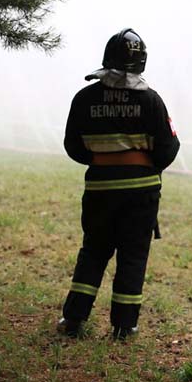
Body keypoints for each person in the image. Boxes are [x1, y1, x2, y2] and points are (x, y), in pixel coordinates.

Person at [59, 28, 181, 340]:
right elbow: (168, 148)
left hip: (99, 188)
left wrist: (103, 163)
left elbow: (73, 146)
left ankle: (73, 320)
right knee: (133, 255)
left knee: (94, 251)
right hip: (141, 191)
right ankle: (124, 327)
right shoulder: (151, 101)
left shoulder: (84, 98)